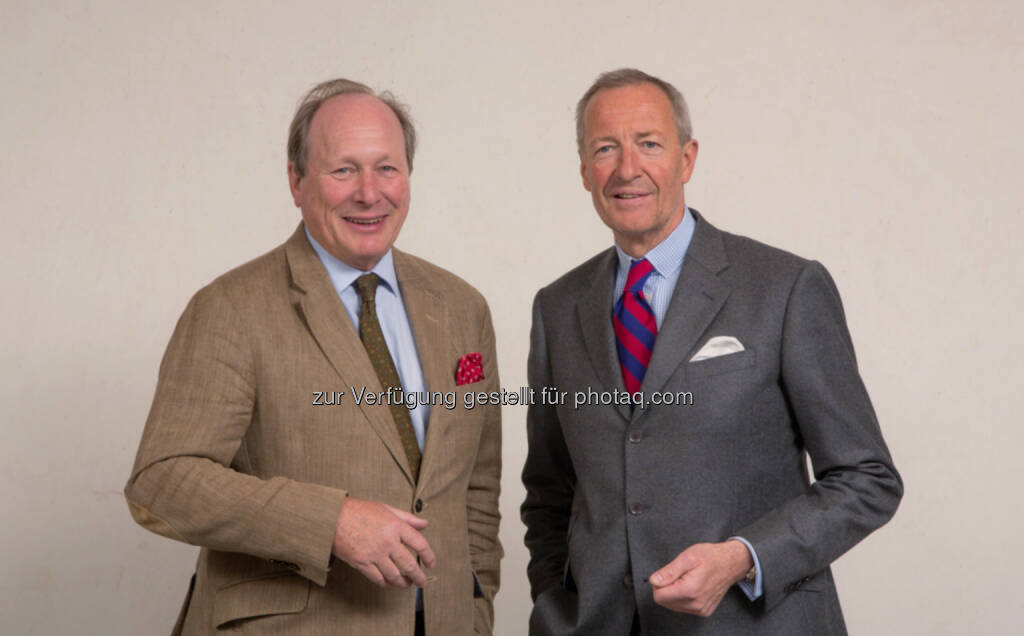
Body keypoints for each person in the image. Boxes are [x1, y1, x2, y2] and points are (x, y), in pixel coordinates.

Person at [521, 68, 902, 635]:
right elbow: (551, 492)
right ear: (583, 168)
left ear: (687, 158)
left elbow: (867, 478)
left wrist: (743, 557)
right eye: (606, 148)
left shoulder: (784, 289)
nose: (628, 168)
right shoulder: (558, 307)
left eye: (649, 144)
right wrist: (556, 603)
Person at [125, 78, 501, 636]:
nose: (369, 193)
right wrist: (331, 522)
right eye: (343, 169)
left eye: (387, 168)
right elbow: (162, 483)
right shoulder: (230, 307)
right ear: (297, 181)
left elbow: (477, 485)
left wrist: (475, 609)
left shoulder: (462, 306)